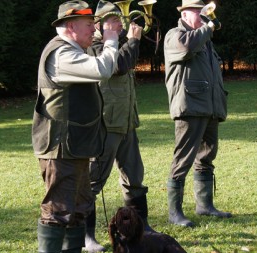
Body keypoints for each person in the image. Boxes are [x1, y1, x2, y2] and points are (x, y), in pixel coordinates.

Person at [31, 1, 119, 252]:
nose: (96, 30)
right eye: (90, 25)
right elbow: (103, 69)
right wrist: (111, 39)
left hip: (75, 146)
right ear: (71, 26)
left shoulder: (74, 50)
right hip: (60, 148)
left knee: (79, 207)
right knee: (57, 210)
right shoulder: (61, 54)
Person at [83, 1, 154, 252]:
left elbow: (126, 65)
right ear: (99, 26)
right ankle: (86, 235)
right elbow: (118, 66)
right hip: (105, 124)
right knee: (93, 181)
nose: (118, 25)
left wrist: (131, 42)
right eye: (112, 22)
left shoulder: (118, 47)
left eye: (118, 20)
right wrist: (133, 42)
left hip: (125, 122)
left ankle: (141, 226)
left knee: (135, 176)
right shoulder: (94, 48)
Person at [163, 0, 232, 228]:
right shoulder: (176, 35)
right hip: (190, 107)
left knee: (206, 156)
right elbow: (185, 48)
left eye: (204, 11)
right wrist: (208, 27)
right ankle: (175, 213)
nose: (203, 15)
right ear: (184, 13)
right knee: (182, 159)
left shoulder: (204, 39)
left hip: (209, 107)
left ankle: (205, 206)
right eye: (197, 11)